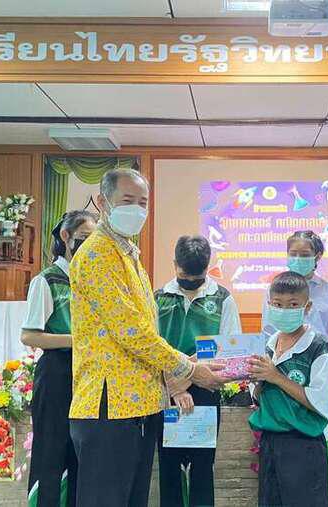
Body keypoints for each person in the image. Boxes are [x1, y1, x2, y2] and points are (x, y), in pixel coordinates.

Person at [68, 168, 225, 507]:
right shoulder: (98, 254)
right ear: (103, 202)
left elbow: (146, 332)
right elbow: (132, 332)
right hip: (108, 406)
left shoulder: (129, 255)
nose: (137, 210)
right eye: (128, 200)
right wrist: (190, 369)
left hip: (138, 404)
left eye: (143, 203)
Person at [261, 230, 328, 507]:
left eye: (304, 254)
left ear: (317, 256)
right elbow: (267, 332)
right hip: (278, 378)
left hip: (318, 376)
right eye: (293, 254)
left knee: (319, 456)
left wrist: (320, 363)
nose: (298, 259)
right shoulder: (275, 288)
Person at [154, 235, 242, 507]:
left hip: (205, 391)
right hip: (165, 392)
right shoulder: (159, 298)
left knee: (203, 469)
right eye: (184, 275)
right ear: (174, 265)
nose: (190, 281)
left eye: (197, 276)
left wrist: (184, 378)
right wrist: (175, 387)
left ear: (207, 268)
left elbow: (230, 350)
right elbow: (151, 348)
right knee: (169, 469)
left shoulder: (223, 299)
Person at [21, 210, 97, 507]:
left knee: (81, 453)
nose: (89, 245)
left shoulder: (92, 280)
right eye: (84, 238)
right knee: (51, 452)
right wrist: (77, 340)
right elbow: (30, 336)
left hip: (87, 373)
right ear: (66, 237)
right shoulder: (47, 280)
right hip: (56, 372)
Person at [247, 271, 328, 507]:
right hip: (270, 442)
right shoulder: (268, 345)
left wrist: (276, 377)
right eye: (278, 304)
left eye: (293, 304)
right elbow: (258, 395)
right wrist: (258, 381)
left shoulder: (317, 348)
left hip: (303, 444)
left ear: (307, 307)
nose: (284, 310)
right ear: (269, 305)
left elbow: (321, 402)